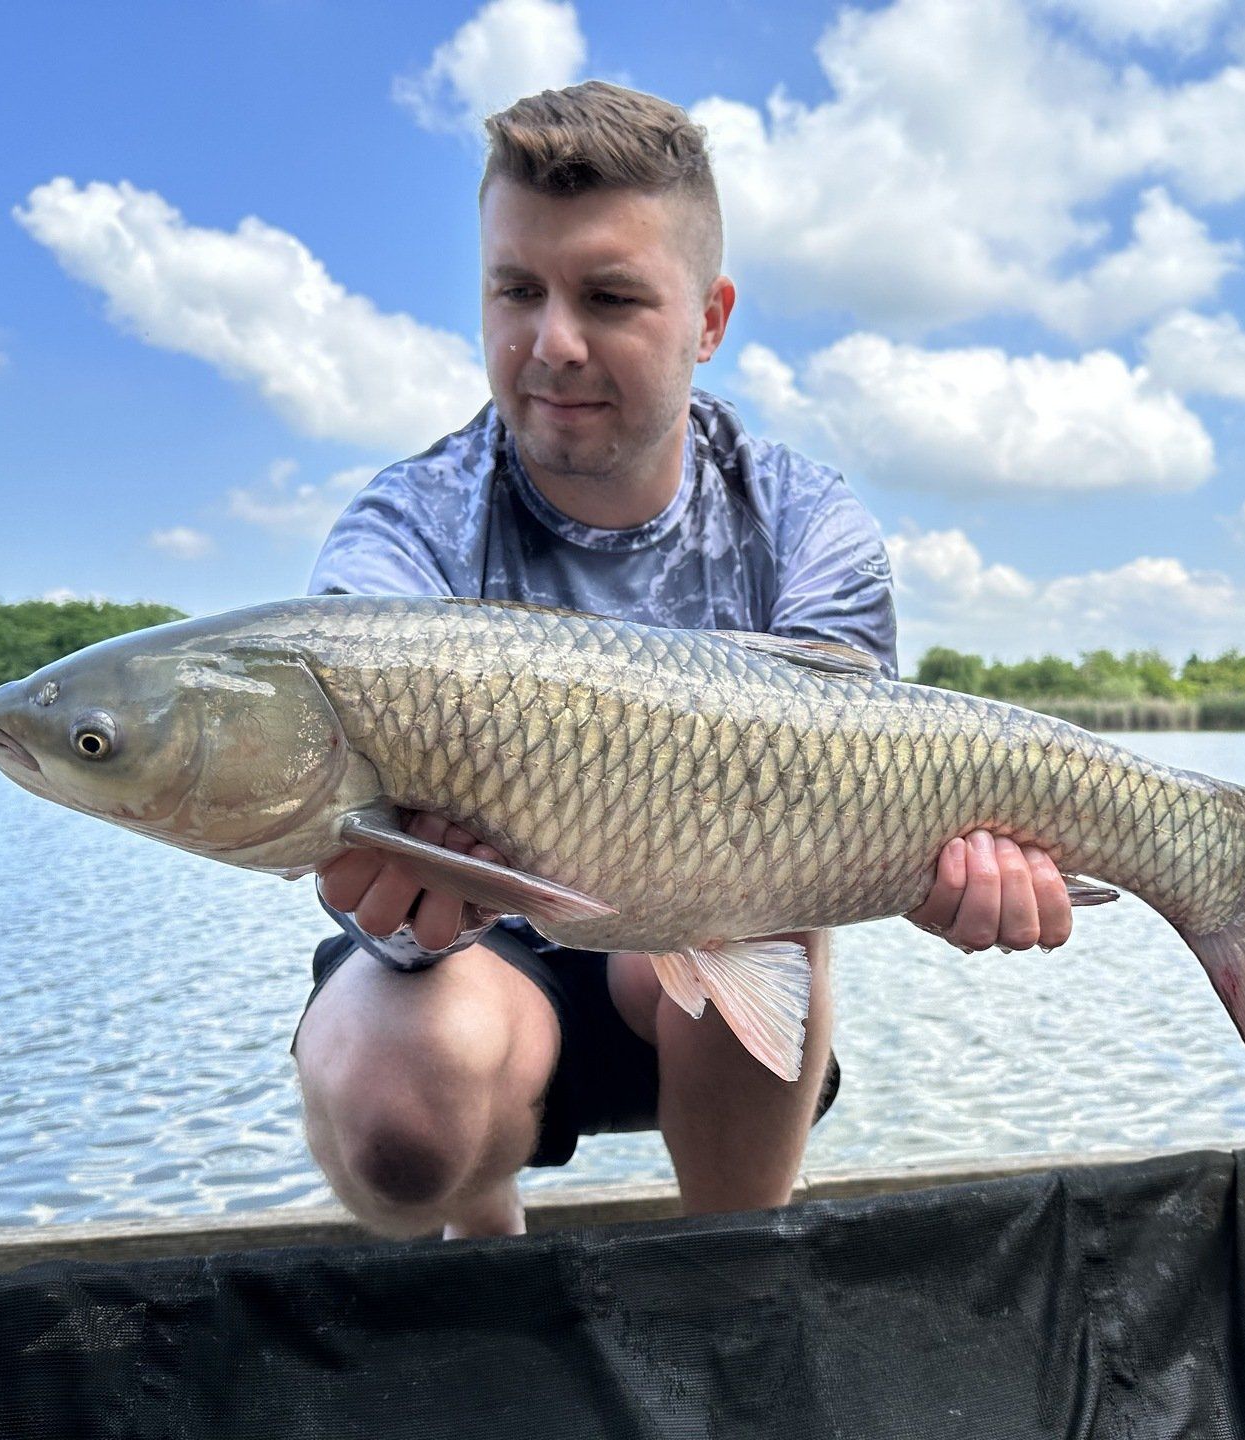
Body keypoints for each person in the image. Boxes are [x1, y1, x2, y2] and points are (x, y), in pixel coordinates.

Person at [289, 81, 1074, 1241]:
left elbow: (859, 789)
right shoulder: (402, 532)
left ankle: (734, 1278)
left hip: (699, 985)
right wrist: (398, 909)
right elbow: (365, 876)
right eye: (516, 291)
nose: (552, 344)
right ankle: (482, 1236)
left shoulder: (804, 523)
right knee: (395, 1113)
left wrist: (957, 869)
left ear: (709, 320)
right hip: (474, 970)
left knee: (766, 886)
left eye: (608, 297)